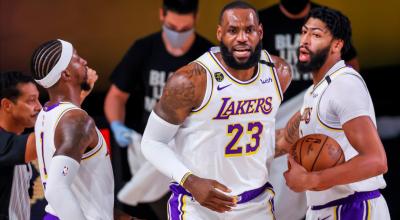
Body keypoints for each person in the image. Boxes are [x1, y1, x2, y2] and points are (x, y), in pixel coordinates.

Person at [141, 1, 292, 219]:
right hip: (199, 205)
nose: (242, 37)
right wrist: (189, 180)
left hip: (256, 203)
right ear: (220, 34)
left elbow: (260, 135)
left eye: (249, 30)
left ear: (260, 32)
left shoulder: (279, 72)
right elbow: (152, 142)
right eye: (233, 30)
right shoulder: (190, 80)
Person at [277, 7, 390, 219]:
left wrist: (312, 180)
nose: (305, 40)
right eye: (304, 32)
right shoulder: (314, 91)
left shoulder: (344, 83)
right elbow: (283, 140)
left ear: (337, 45)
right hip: (324, 209)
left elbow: (377, 160)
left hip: (352, 208)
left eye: (316, 34)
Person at [104, 0, 213, 218]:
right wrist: (116, 125)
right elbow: (116, 96)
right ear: (161, 15)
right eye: (172, 28)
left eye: (184, 30)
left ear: (195, 19)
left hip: (193, 153)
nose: (178, 35)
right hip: (152, 148)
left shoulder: (207, 55)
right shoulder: (144, 48)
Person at [258, 1, 361, 219]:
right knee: (281, 172)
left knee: (321, 168)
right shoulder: (262, 21)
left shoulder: (329, 19)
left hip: (319, 107)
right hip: (280, 111)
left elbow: (351, 63)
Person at [31, 39, 114, 220]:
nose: (84, 61)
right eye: (76, 57)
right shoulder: (76, 121)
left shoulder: (47, 112)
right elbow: (56, 189)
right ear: (66, 73)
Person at [0, 71, 41, 220]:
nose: (39, 107)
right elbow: (49, 138)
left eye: (38, 99)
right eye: (31, 100)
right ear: (7, 105)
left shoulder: (16, 145)